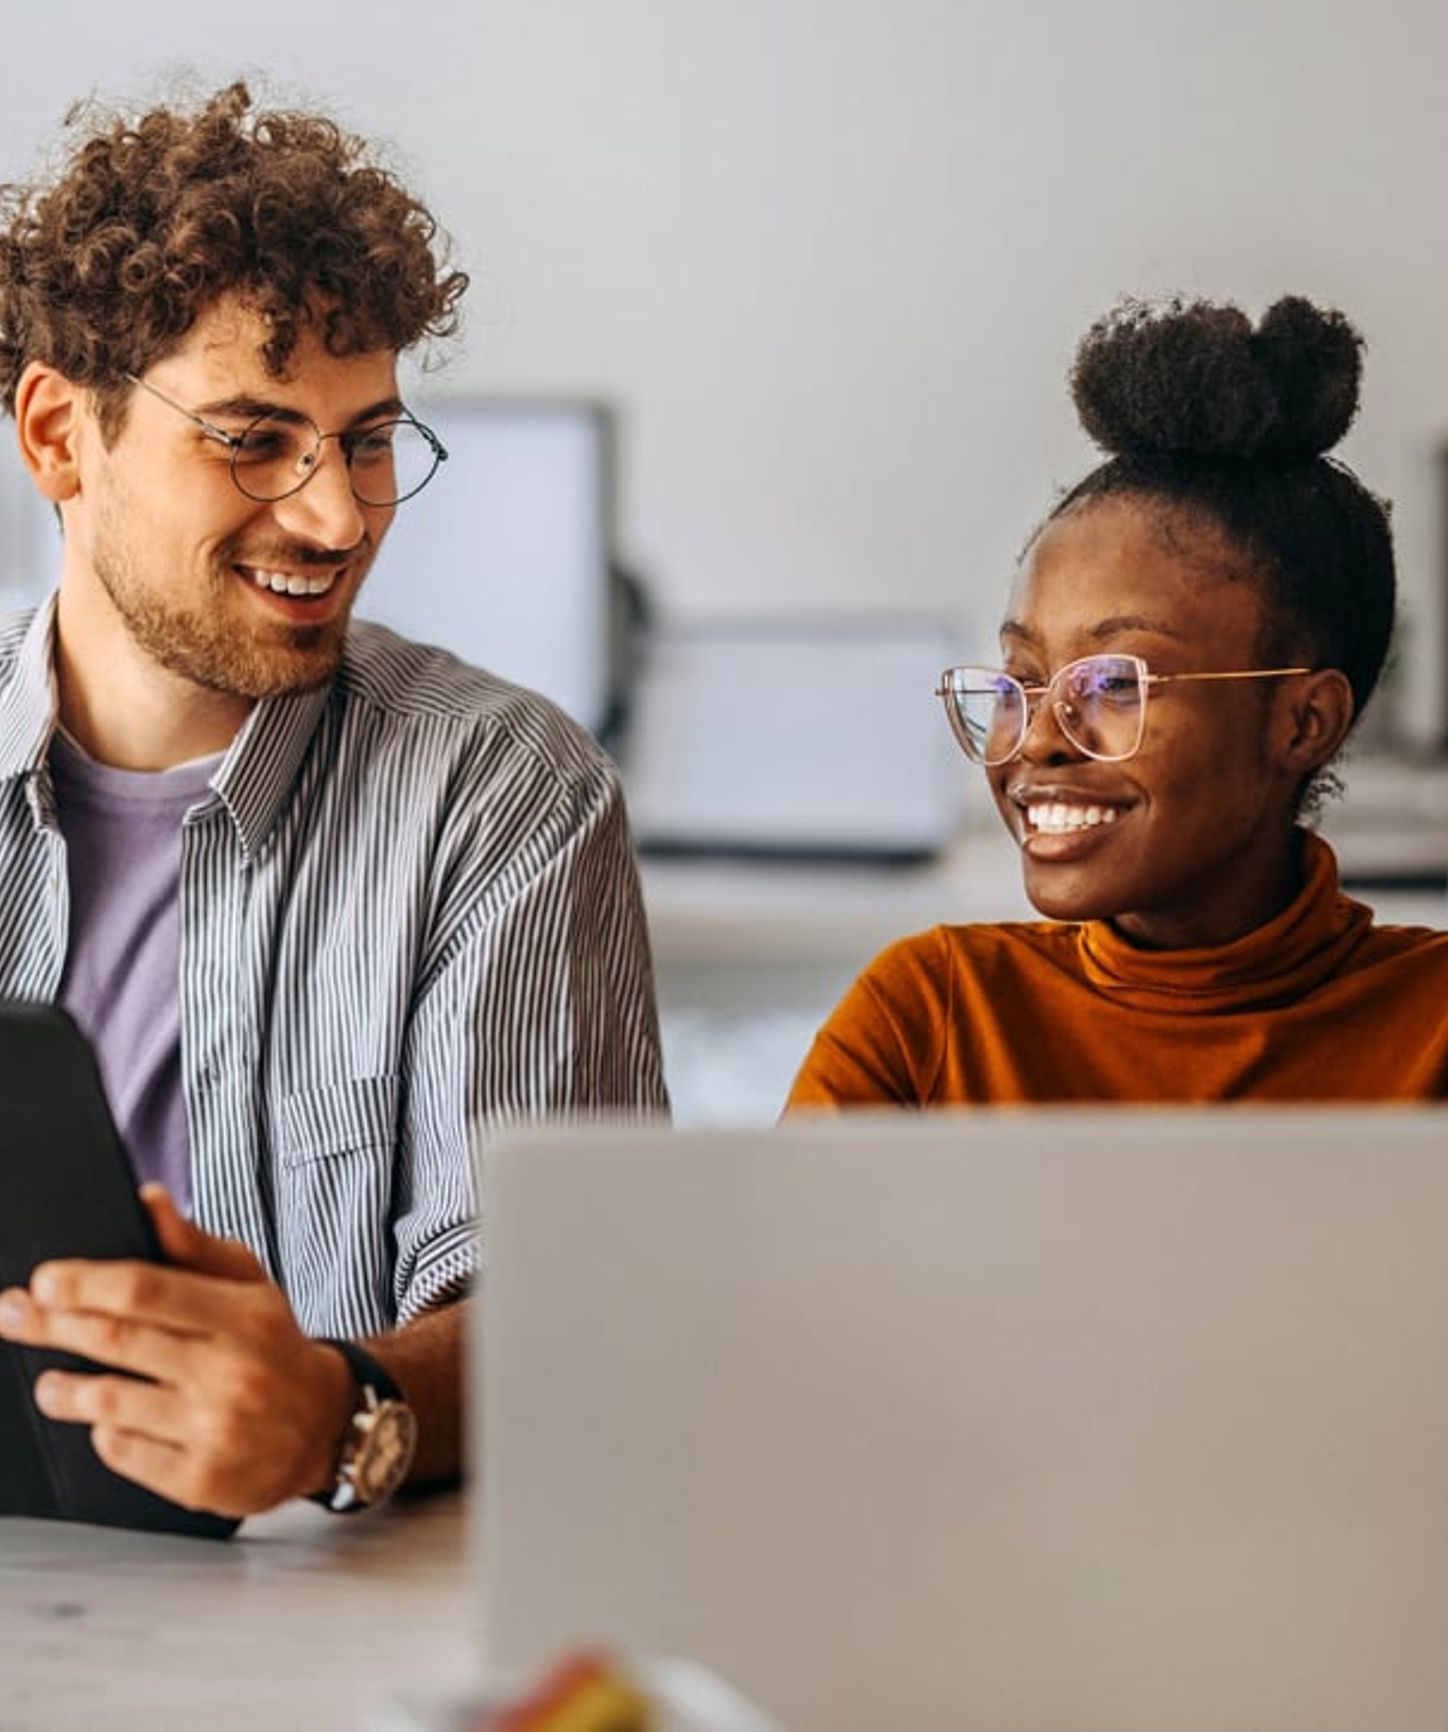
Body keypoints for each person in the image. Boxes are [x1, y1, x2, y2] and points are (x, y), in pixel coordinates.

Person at [0, 83, 666, 1519]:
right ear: (59, 435)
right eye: (253, 437)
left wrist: (339, 1411)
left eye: (367, 439)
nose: (336, 516)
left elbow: (579, 1319)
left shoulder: (503, 793)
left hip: (314, 1621)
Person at [788, 295, 1448, 1110]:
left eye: (1114, 684)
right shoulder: (931, 1020)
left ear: (1303, 722)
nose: (1037, 741)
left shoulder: (1432, 1030)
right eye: (1024, 680)